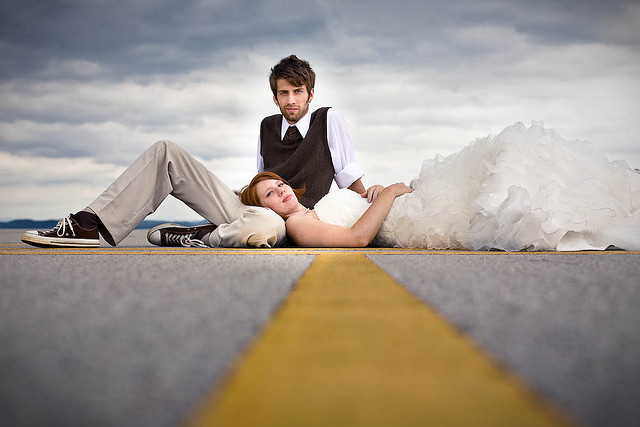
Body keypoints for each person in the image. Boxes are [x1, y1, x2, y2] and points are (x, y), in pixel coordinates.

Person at [21, 54, 373, 249]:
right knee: (166, 151)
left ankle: (198, 235)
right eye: (284, 93)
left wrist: (368, 201)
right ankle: (87, 225)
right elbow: (257, 184)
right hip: (254, 207)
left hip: (294, 222)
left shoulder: (329, 119)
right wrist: (226, 202)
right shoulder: (267, 127)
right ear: (275, 96)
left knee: (265, 226)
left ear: (311, 92)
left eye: (298, 91)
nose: (291, 100)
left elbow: (347, 175)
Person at [239, 122, 640, 251]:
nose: (281, 190)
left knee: (506, 155)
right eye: (270, 195)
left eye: (277, 183)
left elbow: (356, 210)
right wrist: (393, 194)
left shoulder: (309, 210)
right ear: (267, 211)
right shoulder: (297, 226)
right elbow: (358, 237)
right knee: (500, 182)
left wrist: (373, 190)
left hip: (396, 206)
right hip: (407, 221)